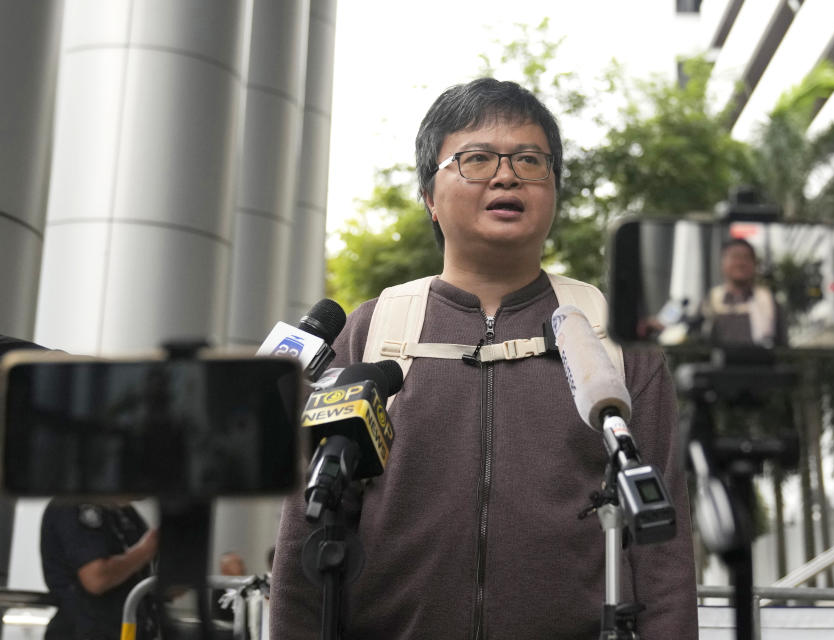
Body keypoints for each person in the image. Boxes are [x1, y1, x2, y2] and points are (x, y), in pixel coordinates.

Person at [270, 78, 697, 639]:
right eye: (476, 159)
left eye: (529, 160)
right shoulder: (370, 330)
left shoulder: (614, 339)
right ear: (429, 196)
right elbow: (305, 531)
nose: (506, 174)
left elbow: (662, 555)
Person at [40, 499, 160, 639]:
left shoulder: (124, 511)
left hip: (130, 629)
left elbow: (149, 579)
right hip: (86, 630)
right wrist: (145, 550)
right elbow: (96, 578)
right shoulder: (72, 505)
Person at [702, 238, 788, 348]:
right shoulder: (711, 300)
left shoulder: (769, 301)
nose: (740, 263)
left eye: (746, 258)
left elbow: (782, 346)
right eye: (735, 257)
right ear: (722, 263)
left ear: (754, 264)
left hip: (760, 363)